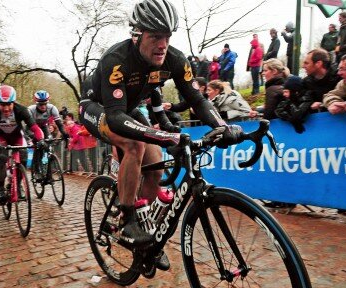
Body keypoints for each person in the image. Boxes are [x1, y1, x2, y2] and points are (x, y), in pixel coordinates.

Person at [78, 0, 243, 267]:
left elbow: (197, 100)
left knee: (154, 165)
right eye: (155, 36)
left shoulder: (176, 59)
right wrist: (166, 136)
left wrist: (221, 128)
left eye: (166, 36)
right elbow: (116, 116)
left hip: (128, 109)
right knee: (135, 146)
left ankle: (146, 237)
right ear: (137, 35)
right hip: (97, 108)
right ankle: (127, 218)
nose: (162, 43)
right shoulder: (116, 59)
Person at [0, 85, 44, 205]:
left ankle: (18, 185)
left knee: (23, 156)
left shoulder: (21, 110)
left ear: (14, 102)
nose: (6, 108)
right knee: (2, 157)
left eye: (9, 104)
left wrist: (41, 140)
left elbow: (35, 128)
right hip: (0, 137)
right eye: (2, 104)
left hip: (16, 136)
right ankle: (0, 190)